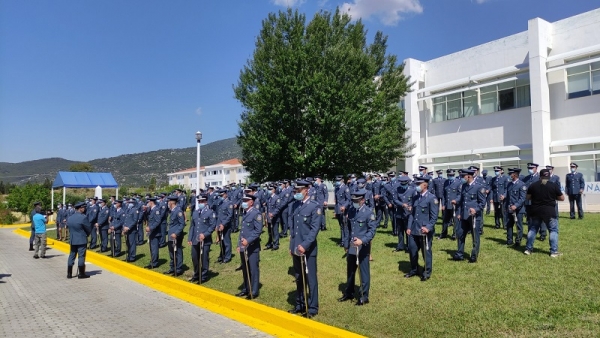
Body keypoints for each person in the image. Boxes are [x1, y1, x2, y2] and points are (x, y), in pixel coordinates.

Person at [287, 180, 322, 317]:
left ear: (306, 190)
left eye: (299, 190)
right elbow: (293, 230)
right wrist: (292, 246)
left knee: (311, 279)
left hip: (308, 249)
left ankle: (312, 308)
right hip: (296, 248)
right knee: (299, 277)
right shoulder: (294, 205)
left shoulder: (314, 206)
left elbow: (314, 230)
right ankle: (300, 304)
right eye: (295, 191)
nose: (296, 193)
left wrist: (305, 245)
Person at [338, 189, 377, 305]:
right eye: (353, 200)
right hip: (351, 246)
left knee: (363, 271)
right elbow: (347, 228)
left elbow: (372, 231)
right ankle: (349, 292)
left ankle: (364, 296)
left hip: (362, 246)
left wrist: (362, 240)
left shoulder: (368, 212)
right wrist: (346, 243)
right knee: (350, 270)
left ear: (363, 200)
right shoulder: (351, 210)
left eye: (357, 200)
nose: (354, 202)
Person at [524, 169, 564, 257]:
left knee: (533, 229)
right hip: (549, 211)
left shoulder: (533, 185)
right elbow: (562, 198)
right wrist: (553, 197)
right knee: (553, 230)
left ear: (540, 176)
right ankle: (553, 251)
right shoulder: (553, 185)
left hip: (536, 211)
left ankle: (528, 249)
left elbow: (528, 197)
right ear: (549, 176)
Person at [405, 178, 438, 281]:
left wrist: (428, 227)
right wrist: (409, 227)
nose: (417, 186)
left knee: (426, 252)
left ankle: (427, 272)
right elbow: (412, 214)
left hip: (424, 231)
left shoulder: (432, 198)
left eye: (419, 184)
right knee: (412, 250)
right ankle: (414, 269)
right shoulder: (415, 198)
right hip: (414, 229)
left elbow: (434, 216)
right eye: (416, 184)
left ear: (425, 185)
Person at [453, 169, 486, 263]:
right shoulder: (463, 186)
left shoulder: (479, 187)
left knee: (475, 236)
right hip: (464, 216)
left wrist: (475, 209)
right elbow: (461, 200)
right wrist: (458, 210)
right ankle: (460, 254)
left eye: (463, 176)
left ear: (469, 176)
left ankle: (474, 255)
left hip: (474, 217)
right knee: (460, 234)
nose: (462, 178)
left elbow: (482, 203)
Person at [236, 194, 262, 299]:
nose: (244, 202)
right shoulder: (245, 213)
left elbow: (258, 231)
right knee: (245, 269)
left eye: (246, 200)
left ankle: (254, 291)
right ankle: (246, 289)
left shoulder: (256, 213)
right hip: (243, 246)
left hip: (252, 247)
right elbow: (242, 231)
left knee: (253, 269)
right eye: (243, 200)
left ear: (251, 202)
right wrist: (239, 245)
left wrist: (248, 241)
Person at [188, 194, 216, 283]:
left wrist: (205, 234)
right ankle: (196, 274)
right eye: (199, 201)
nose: (200, 203)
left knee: (204, 258)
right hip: (195, 239)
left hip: (205, 240)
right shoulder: (195, 212)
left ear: (206, 202)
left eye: (202, 201)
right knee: (194, 257)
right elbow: (192, 226)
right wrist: (190, 238)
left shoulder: (210, 212)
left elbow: (212, 226)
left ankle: (203, 275)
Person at [67, 202, 92, 279]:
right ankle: (81, 274)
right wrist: (87, 234)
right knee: (81, 256)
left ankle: (69, 273)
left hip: (73, 239)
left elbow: (69, 228)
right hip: (81, 239)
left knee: (72, 255)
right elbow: (88, 228)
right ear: (80, 208)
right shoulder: (83, 217)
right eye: (83, 207)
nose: (84, 209)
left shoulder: (70, 218)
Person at [392, 176, 415, 251]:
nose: (403, 185)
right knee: (400, 231)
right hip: (399, 213)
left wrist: (411, 206)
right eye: (402, 183)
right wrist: (402, 204)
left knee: (408, 230)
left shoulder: (412, 190)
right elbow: (395, 199)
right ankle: (400, 246)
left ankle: (409, 246)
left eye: (404, 184)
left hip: (408, 213)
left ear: (407, 183)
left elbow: (414, 200)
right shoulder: (397, 189)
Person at [505, 168, 526, 246]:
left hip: (518, 210)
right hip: (510, 208)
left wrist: (516, 205)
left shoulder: (521, 184)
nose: (509, 175)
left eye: (511, 174)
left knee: (519, 226)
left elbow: (522, 198)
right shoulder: (509, 184)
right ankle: (509, 240)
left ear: (515, 175)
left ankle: (518, 241)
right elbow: (508, 196)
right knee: (509, 225)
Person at [164, 196, 185, 276]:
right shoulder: (172, 211)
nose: (168, 203)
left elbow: (182, 224)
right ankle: (172, 268)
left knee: (178, 251)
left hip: (176, 236)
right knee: (171, 252)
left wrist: (176, 233)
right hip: (170, 235)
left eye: (168, 202)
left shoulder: (178, 211)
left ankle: (179, 269)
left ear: (172, 202)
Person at [439, 169, 461, 240]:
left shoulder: (458, 182)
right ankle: (443, 234)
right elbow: (444, 195)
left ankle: (455, 234)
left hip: (455, 206)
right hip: (447, 205)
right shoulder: (446, 182)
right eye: (449, 175)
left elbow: (460, 194)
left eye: (452, 175)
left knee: (455, 221)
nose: (450, 176)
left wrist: (456, 200)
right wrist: (443, 204)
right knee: (445, 220)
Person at [215, 189, 234, 263]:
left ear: (226, 194)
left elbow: (230, 216)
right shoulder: (220, 203)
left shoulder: (229, 203)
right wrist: (217, 225)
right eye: (220, 195)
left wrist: (223, 224)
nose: (221, 197)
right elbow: (219, 215)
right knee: (221, 241)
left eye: (222, 195)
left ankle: (227, 257)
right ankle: (222, 255)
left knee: (226, 241)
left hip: (226, 225)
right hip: (220, 225)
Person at [145, 197, 162, 268]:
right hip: (152, 232)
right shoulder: (151, 210)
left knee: (154, 248)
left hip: (155, 232)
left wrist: (150, 228)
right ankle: (152, 261)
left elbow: (158, 221)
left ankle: (154, 263)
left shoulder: (156, 210)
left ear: (151, 202)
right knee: (152, 248)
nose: (147, 204)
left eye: (148, 202)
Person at [265, 185, 282, 250]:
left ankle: (276, 244)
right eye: (269, 189)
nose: (269, 191)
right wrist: (267, 218)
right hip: (269, 218)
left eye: (270, 189)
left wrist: (273, 214)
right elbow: (268, 208)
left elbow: (278, 208)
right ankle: (271, 243)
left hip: (275, 218)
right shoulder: (269, 198)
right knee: (270, 231)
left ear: (274, 190)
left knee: (275, 231)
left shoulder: (277, 198)